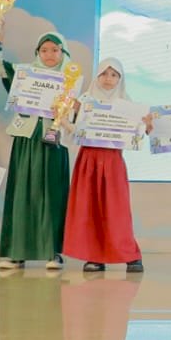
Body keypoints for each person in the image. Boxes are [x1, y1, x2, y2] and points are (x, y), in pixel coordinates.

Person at [62, 58, 147, 273]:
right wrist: (64, 118)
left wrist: (146, 126)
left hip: (112, 160)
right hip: (88, 160)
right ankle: (94, 256)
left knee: (116, 209)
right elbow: (75, 130)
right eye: (104, 74)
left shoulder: (126, 103)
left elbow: (136, 133)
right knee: (89, 207)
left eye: (114, 75)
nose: (108, 79)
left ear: (120, 79)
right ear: (97, 76)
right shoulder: (85, 100)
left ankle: (130, 255)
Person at [0, 33, 72, 271]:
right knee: (22, 193)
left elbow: (79, 116)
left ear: (63, 53)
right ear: (37, 53)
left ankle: (53, 252)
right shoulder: (24, 75)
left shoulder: (71, 79)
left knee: (52, 195)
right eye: (44, 50)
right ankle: (16, 252)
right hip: (26, 141)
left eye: (55, 50)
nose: (49, 55)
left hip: (53, 143)